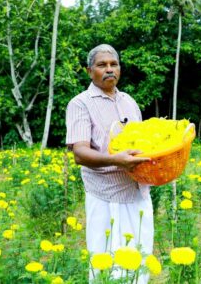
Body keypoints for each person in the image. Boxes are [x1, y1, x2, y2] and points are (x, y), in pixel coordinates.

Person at [65, 44, 153, 283]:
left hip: (138, 192)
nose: (109, 69)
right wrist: (116, 160)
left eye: (114, 64)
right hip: (106, 196)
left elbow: (142, 142)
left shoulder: (129, 102)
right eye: (102, 65)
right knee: (107, 263)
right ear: (89, 71)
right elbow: (80, 153)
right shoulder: (80, 103)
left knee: (138, 259)